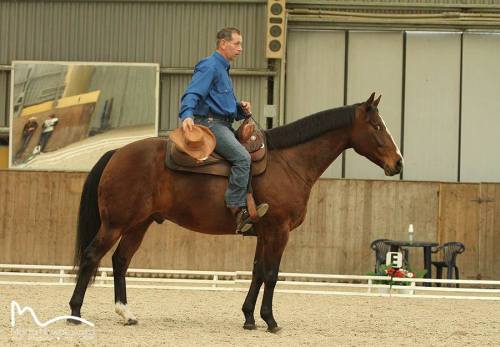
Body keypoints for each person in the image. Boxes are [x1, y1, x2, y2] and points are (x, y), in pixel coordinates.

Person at [179, 27, 268, 234]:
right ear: (223, 44)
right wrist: (187, 115)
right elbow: (192, 92)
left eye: (240, 44)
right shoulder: (210, 66)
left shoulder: (223, 70)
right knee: (243, 158)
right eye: (237, 44)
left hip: (223, 123)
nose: (241, 49)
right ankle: (237, 208)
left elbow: (221, 105)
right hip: (210, 125)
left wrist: (239, 107)